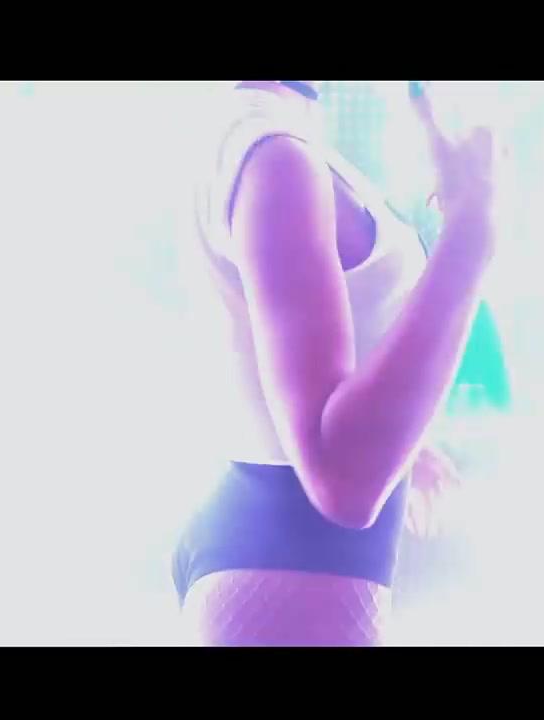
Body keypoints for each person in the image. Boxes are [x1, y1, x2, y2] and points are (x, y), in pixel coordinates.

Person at [172, 80, 497, 646]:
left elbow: (281, 359)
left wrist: (400, 442)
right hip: (291, 563)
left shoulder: (264, 137)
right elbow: (340, 479)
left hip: (279, 554)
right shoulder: (276, 157)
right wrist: (472, 234)